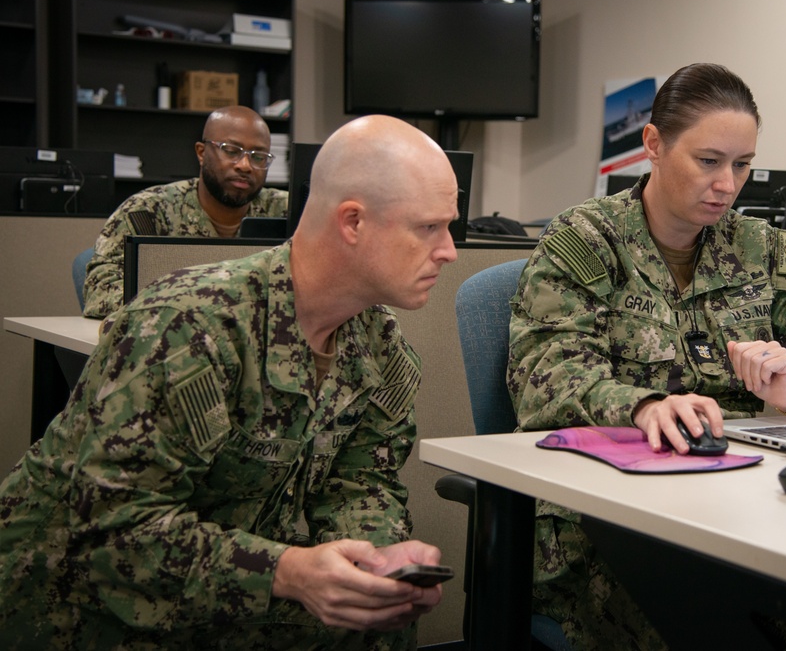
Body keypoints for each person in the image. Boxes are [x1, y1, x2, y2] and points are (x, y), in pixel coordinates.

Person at [0, 115, 460, 649]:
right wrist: (287, 571)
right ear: (352, 222)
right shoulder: (190, 328)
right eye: (429, 227)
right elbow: (112, 533)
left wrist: (377, 561)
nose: (449, 249)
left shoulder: (380, 345)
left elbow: (360, 484)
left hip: (219, 583)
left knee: (381, 622)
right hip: (76, 604)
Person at [507, 63, 786, 650]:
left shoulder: (768, 250)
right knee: (715, 625)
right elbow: (546, 371)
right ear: (653, 146)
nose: (728, 184)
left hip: (740, 502)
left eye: (742, 164)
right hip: (609, 519)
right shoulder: (586, 240)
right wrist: (642, 406)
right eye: (709, 161)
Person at [82, 105, 289, 319]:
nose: (245, 165)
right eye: (231, 151)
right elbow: (101, 291)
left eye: (258, 157)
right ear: (201, 153)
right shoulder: (147, 211)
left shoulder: (289, 211)